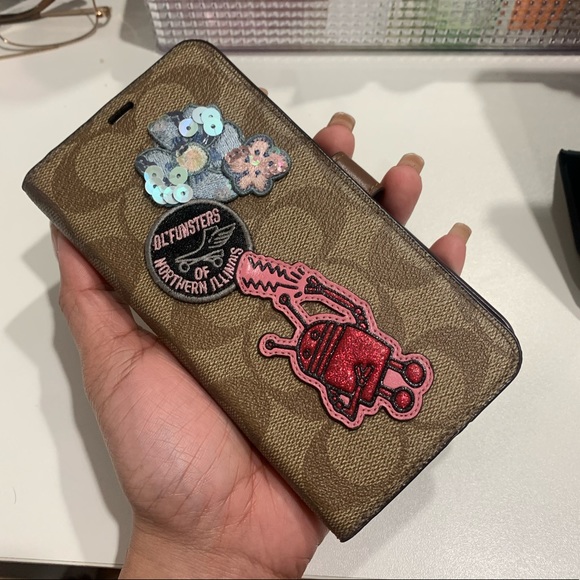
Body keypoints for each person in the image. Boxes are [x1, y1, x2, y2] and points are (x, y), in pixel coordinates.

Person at [50, 113, 470, 579]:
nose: (393, 383)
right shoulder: (340, 349)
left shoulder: (347, 351)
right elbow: (348, 330)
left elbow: (348, 329)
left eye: (400, 381)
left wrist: (202, 551)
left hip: (310, 332)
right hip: (308, 336)